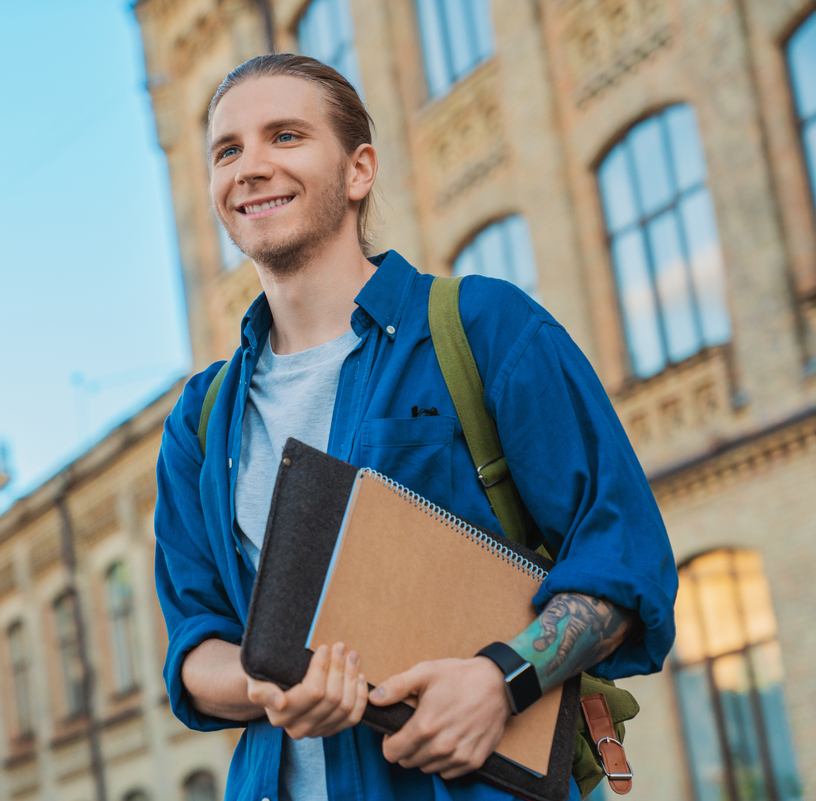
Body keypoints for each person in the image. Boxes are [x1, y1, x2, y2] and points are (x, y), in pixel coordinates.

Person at [153, 53, 676, 801]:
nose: (251, 167)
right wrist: (271, 685)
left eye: (286, 136)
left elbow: (624, 558)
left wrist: (503, 678)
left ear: (358, 169)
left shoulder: (483, 328)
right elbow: (194, 643)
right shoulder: (201, 421)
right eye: (227, 150)